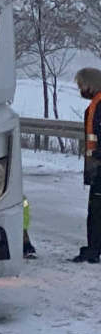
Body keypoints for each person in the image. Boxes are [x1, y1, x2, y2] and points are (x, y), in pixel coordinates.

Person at [72, 67, 101, 263]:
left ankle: (93, 250)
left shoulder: (99, 105)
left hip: (100, 166)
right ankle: (93, 248)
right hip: (97, 166)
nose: (81, 89)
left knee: (96, 212)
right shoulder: (96, 103)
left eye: (82, 85)